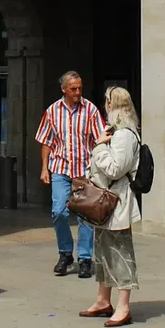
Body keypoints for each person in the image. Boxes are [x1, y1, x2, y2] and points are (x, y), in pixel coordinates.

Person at [35, 71, 107, 278]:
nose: (77, 92)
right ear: (64, 89)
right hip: (60, 169)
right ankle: (65, 253)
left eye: (79, 88)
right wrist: (44, 168)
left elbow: (100, 137)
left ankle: (85, 258)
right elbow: (46, 141)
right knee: (59, 212)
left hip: (84, 170)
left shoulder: (90, 110)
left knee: (85, 215)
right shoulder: (52, 111)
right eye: (73, 89)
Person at [80, 85, 141, 327]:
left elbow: (116, 168)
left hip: (116, 203)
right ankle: (103, 300)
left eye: (106, 101)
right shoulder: (114, 132)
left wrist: (98, 147)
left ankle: (124, 306)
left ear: (112, 105)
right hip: (104, 202)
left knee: (120, 253)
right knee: (102, 251)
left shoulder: (125, 135)